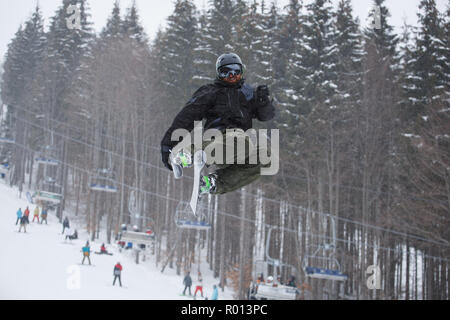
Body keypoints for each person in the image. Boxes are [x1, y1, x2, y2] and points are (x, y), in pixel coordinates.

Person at [161, 53, 275, 195]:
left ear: (241, 73)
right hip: (217, 137)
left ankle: (213, 183)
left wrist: (264, 102)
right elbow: (186, 117)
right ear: (219, 74)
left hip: (238, 149)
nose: (232, 76)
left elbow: (266, 116)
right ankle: (187, 155)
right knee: (240, 139)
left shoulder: (248, 93)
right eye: (226, 73)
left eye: (236, 72)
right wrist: (167, 145)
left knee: (266, 156)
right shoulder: (210, 92)